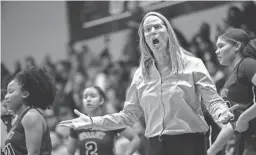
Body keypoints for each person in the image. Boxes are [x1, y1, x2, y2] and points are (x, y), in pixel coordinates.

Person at [59, 12, 235, 155]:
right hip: (156, 146)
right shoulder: (140, 75)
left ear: (168, 32)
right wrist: (92, 121)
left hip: (190, 143)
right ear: (144, 39)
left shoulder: (193, 64)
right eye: (147, 30)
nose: (153, 32)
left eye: (158, 27)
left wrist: (221, 113)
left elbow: (212, 100)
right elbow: (127, 116)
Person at [208, 29, 256, 155]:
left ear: (237, 46)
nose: (216, 51)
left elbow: (240, 119)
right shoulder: (233, 75)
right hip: (246, 143)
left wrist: (244, 118)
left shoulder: (247, 64)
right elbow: (231, 126)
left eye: (221, 46)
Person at [66, 86, 141, 155]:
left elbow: (135, 139)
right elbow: (70, 152)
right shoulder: (77, 124)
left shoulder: (111, 120)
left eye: (92, 96)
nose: (88, 99)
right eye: (85, 97)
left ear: (101, 100)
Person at [3, 67, 56, 155]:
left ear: (25, 94)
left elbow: (34, 153)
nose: (6, 96)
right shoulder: (18, 120)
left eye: (10, 92)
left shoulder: (31, 116)